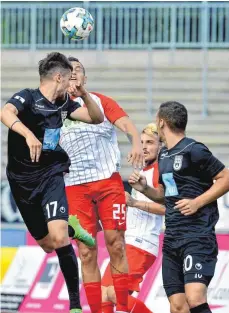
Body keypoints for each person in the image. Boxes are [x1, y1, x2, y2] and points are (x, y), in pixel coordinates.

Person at [0, 52, 104, 313]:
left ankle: (75, 306)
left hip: (51, 174)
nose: (72, 83)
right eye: (70, 78)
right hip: (22, 181)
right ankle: (73, 228)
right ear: (58, 76)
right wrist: (27, 134)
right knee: (48, 244)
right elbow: (5, 112)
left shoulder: (65, 103)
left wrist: (85, 93)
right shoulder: (28, 97)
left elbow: (96, 118)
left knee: (58, 240)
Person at [60, 56, 144, 313]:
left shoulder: (100, 101)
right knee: (86, 251)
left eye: (78, 70)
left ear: (85, 78)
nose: (74, 74)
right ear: (59, 77)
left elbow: (126, 124)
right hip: (74, 187)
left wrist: (137, 142)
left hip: (108, 182)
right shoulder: (53, 107)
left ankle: (121, 308)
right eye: (69, 70)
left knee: (115, 242)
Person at [128, 101, 229, 313]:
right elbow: (165, 196)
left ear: (162, 122)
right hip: (172, 238)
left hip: (197, 237)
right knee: (177, 305)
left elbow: (225, 177)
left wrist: (197, 202)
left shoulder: (194, 150)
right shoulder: (164, 156)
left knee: (195, 297)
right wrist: (145, 188)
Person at [101, 123, 165, 313]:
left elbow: (166, 208)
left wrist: (134, 203)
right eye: (142, 142)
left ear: (161, 146)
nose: (144, 147)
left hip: (141, 244)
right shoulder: (144, 171)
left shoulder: (159, 170)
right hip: (128, 241)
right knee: (103, 292)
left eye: (150, 142)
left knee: (114, 293)